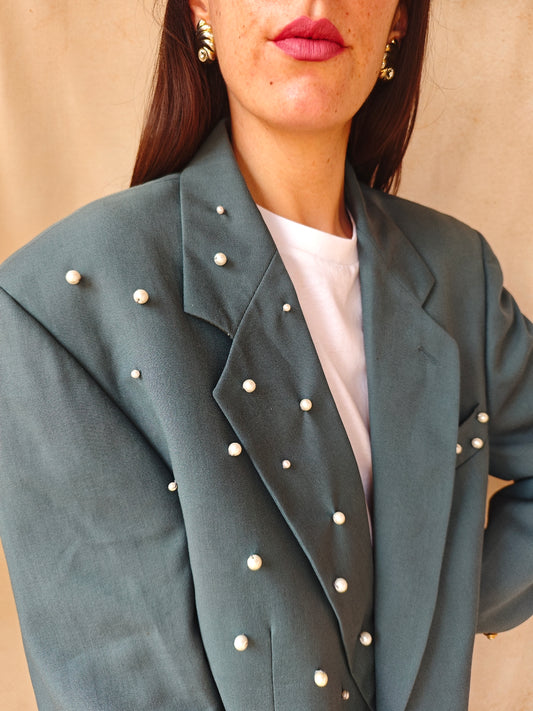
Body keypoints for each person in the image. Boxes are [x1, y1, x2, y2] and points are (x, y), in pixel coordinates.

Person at [0, 0, 531, 709]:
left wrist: (435, 603)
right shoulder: (62, 303)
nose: (315, 2)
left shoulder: (457, 272)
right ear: (201, 8)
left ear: (399, 19)